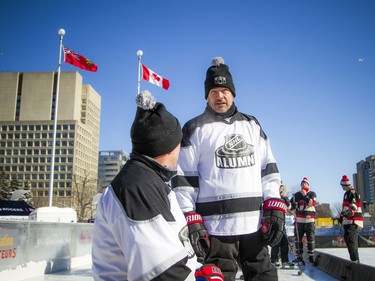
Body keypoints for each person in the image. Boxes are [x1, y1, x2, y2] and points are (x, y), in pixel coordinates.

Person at [171, 57, 286, 281]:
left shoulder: (252, 125)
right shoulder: (194, 128)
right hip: (215, 230)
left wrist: (274, 201)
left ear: (233, 92)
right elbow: (184, 180)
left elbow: (268, 170)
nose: (219, 96)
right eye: (213, 91)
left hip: (254, 225)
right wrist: (191, 217)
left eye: (224, 90)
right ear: (206, 95)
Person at [92, 90, 223, 281]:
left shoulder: (150, 179)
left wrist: (195, 271)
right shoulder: (136, 188)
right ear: (170, 147)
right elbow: (160, 272)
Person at [290, 177, 317, 264]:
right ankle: (299, 256)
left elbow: (311, 203)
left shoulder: (312, 193)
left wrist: (305, 195)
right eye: (302, 183)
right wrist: (287, 201)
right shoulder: (296, 195)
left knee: (310, 238)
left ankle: (311, 256)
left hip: (310, 221)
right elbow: (290, 206)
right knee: (298, 238)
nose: (303, 185)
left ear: (308, 185)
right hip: (299, 221)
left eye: (305, 183)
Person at [339, 175, 364, 263]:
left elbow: (354, 205)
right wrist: (342, 216)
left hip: (353, 220)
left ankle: (355, 260)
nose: (341, 187)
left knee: (351, 239)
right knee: (348, 239)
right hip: (348, 220)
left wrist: (348, 213)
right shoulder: (346, 194)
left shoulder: (352, 192)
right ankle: (354, 259)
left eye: (342, 185)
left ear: (344, 185)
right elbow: (346, 208)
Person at [270, 184, 294, 269]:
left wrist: (285, 197)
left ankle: (285, 260)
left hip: (282, 222)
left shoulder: (284, 199)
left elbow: (289, 207)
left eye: (282, 189)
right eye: (280, 188)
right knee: (275, 241)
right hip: (275, 221)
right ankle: (274, 259)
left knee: (284, 241)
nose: (281, 190)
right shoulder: (274, 196)